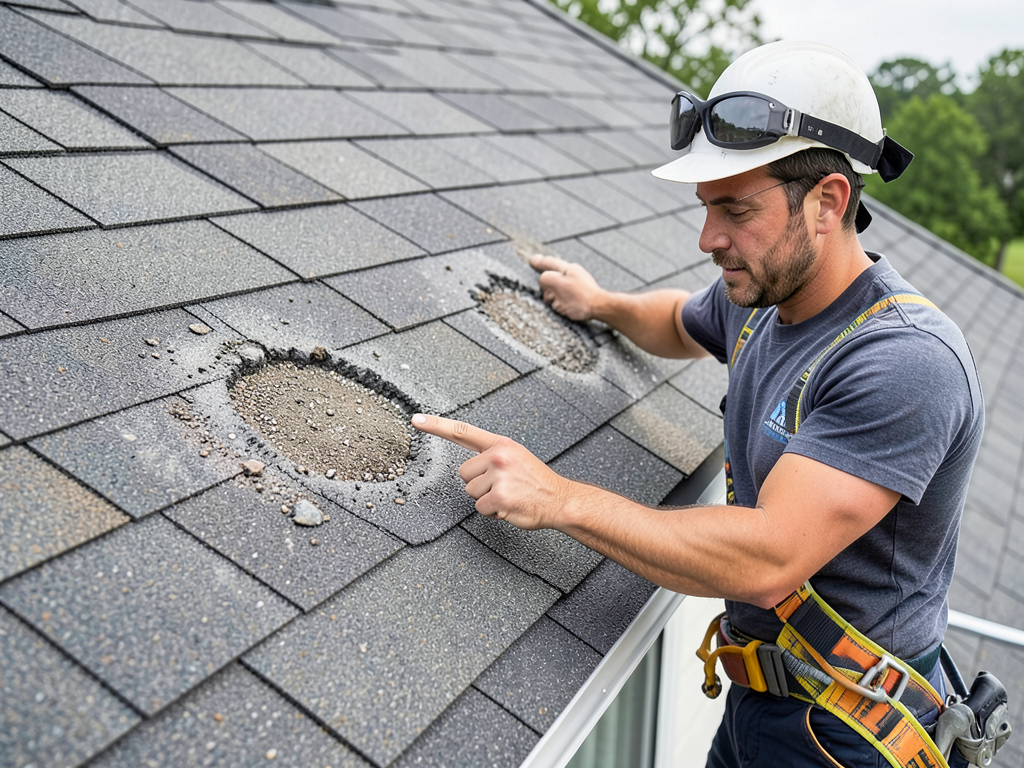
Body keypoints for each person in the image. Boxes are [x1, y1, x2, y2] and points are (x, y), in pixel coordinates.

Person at [412, 40, 984, 767]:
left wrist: (559, 498)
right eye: (707, 207)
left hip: (843, 737)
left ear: (827, 201)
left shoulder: (904, 362)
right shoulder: (764, 294)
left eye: (735, 209)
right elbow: (683, 321)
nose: (710, 238)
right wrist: (602, 303)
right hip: (762, 705)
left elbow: (769, 558)